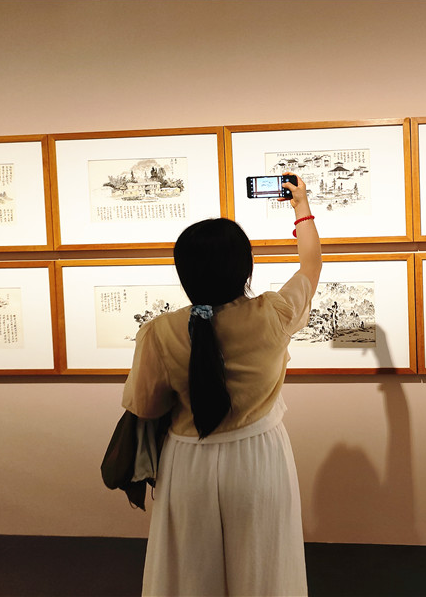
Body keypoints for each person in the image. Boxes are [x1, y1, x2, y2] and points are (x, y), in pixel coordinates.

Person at [122, 174, 321, 596]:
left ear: (184, 272)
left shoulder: (159, 331)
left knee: (190, 574)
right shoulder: (273, 314)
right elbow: (310, 267)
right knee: (265, 565)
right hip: (259, 456)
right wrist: (301, 206)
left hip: (188, 460)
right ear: (245, 268)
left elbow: (145, 407)